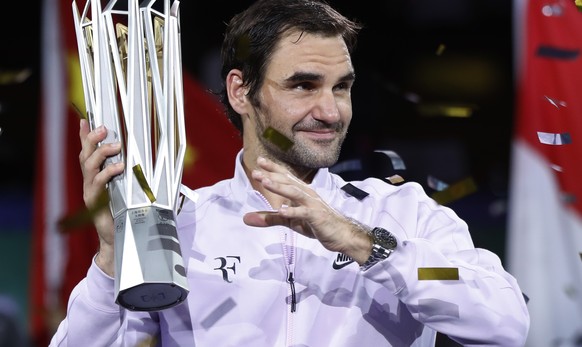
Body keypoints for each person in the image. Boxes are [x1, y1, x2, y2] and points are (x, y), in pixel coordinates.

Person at [50, 0, 530, 345]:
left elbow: (505, 321)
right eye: (303, 85)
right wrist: (111, 257)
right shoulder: (181, 224)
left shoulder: (404, 215)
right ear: (241, 92)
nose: (330, 110)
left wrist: (362, 241)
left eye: (341, 87)